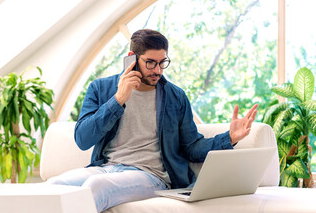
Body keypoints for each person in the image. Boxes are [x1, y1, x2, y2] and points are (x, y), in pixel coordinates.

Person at [47, 29, 258, 212]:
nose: (157, 70)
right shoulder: (101, 89)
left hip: (151, 175)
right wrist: (118, 99)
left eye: (162, 62)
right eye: (150, 63)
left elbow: (191, 147)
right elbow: (83, 139)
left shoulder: (175, 97)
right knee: (54, 185)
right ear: (132, 57)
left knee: (96, 186)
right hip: (106, 168)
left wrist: (229, 138)